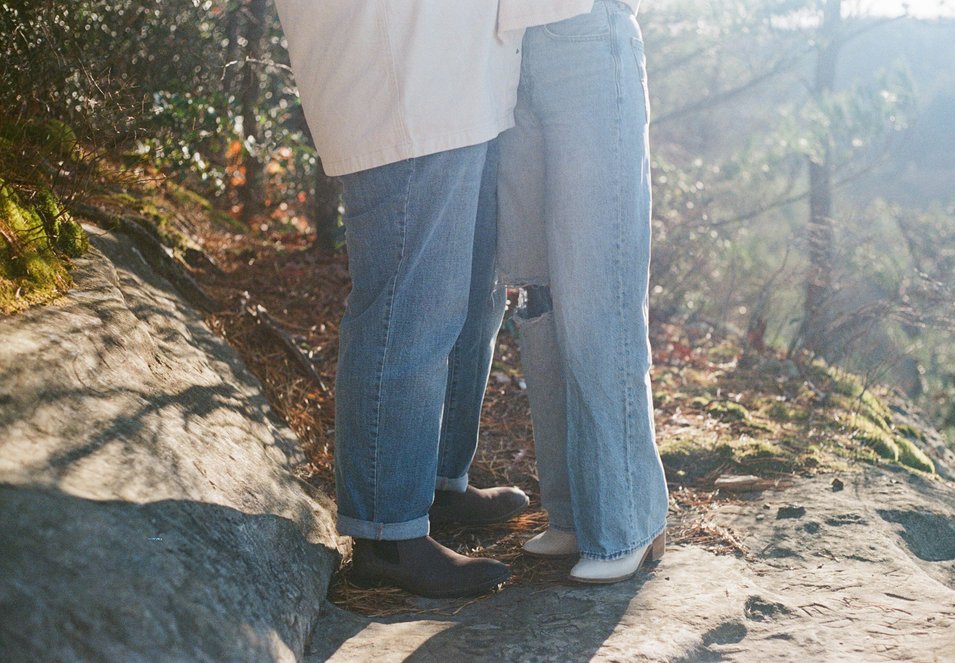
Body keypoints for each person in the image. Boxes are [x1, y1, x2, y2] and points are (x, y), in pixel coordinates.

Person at [272, 0, 531, 598]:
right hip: (401, 70)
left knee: (473, 300)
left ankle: (437, 485)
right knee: (409, 311)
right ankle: (388, 534)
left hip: (469, 76)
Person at [497, 0, 670, 583]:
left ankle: (624, 519)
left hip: (588, 40)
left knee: (598, 281)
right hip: (504, 49)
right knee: (535, 295)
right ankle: (572, 513)